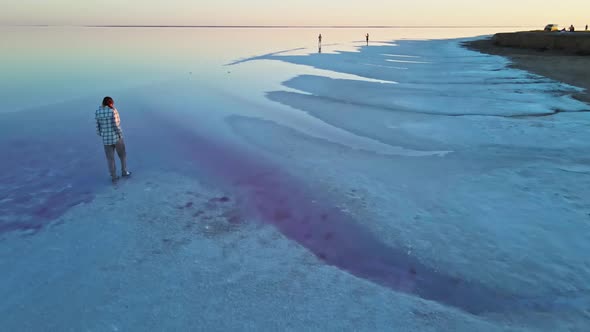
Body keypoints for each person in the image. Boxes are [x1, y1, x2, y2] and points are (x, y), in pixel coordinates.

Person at [95, 96, 131, 183]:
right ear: (111, 103)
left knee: (110, 159)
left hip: (106, 140)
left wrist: (103, 134)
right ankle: (124, 172)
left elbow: (97, 127)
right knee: (122, 156)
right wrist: (120, 134)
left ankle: (114, 177)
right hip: (116, 138)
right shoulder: (113, 111)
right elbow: (116, 125)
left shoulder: (98, 112)